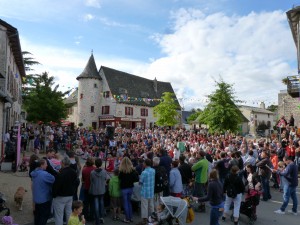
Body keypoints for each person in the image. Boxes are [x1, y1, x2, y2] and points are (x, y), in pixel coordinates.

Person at [52, 156, 80, 225]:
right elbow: (76, 182)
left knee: (59, 216)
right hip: (70, 196)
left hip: (60, 196)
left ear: (63, 163)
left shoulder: (61, 173)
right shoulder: (73, 172)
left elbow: (56, 186)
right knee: (69, 214)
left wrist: (54, 194)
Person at [31, 159, 55, 225]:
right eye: (46, 164)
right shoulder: (44, 174)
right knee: (44, 217)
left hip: (37, 199)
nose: (47, 165)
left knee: (37, 216)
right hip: (44, 199)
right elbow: (53, 179)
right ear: (41, 165)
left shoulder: (34, 173)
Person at [118, 157, 139, 223]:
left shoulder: (122, 171)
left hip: (124, 188)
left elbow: (119, 178)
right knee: (129, 202)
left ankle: (127, 218)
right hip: (130, 187)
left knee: (125, 203)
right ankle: (130, 217)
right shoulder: (132, 170)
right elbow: (136, 179)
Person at [137, 158, 156, 225]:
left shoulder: (144, 172)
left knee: (144, 206)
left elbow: (140, 182)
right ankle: (152, 218)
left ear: (145, 164)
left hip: (145, 191)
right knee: (151, 205)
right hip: (151, 190)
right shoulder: (153, 170)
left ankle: (144, 220)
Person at [89, 158, 107, 225]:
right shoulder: (104, 172)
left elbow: (91, 181)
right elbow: (106, 179)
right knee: (101, 203)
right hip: (102, 189)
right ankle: (101, 217)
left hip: (95, 190)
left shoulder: (92, 172)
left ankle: (97, 219)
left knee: (96, 204)